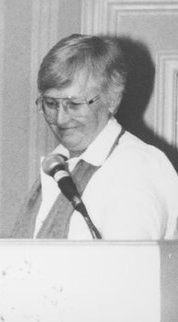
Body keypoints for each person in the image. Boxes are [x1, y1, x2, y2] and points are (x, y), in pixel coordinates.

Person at [12, 34, 178, 240]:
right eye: (51, 104)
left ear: (112, 100)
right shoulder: (58, 163)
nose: (60, 118)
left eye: (74, 104)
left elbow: (130, 268)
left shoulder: (134, 167)